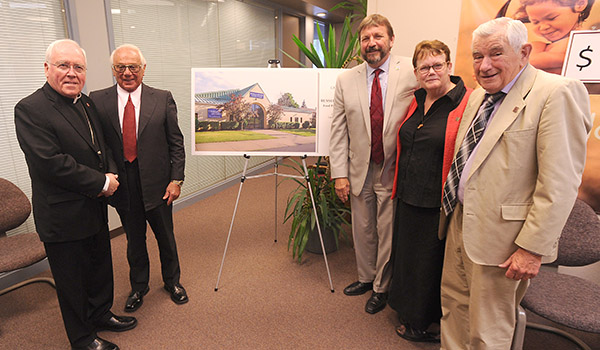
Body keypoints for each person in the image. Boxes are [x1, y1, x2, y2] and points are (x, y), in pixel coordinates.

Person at [439, 17, 592, 349]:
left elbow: (560, 183)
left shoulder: (556, 93)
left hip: (504, 242)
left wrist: (532, 248)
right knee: (454, 309)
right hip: (460, 221)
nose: (485, 64)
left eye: (496, 53)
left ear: (524, 52)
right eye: (478, 56)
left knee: (488, 328)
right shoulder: (479, 96)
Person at [14, 39, 137, 350]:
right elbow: (50, 163)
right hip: (62, 215)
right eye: (63, 65)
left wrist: (110, 174)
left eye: (78, 67)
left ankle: (100, 314)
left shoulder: (86, 103)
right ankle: (82, 338)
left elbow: (104, 146)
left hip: (94, 207)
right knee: (72, 281)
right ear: (47, 69)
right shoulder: (30, 109)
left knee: (99, 268)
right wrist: (100, 181)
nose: (72, 73)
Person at [329, 14, 418, 314]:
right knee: (363, 227)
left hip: (394, 168)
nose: (372, 43)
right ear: (360, 45)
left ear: (391, 40)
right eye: (366, 38)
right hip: (360, 168)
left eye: (378, 36)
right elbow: (339, 130)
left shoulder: (412, 71)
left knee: (387, 229)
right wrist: (338, 174)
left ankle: (382, 287)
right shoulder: (346, 79)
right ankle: (365, 278)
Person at [90, 44, 187, 312]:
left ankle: (172, 282)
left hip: (159, 183)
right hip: (123, 184)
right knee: (134, 240)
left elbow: (175, 143)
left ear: (144, 69)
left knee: (166, 237)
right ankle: (139, 286)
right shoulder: (97, 100)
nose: (127, 72)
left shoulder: (162, 97)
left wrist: (176, 179)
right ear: (113, 70)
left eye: (133, 66)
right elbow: (100, 144)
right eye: (120, 67)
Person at [388, 40, 472, 343]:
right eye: (424, 67)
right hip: (408, 193)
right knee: (407, 257)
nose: (431, 71)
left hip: (438, 201)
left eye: (438, 65)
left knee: (430, 264)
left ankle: (425, 322)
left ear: (450, 66)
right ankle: (406, 309)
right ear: (416, 72)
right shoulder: (417, 99)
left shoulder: (467, 103)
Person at [518, 0, 594, 74]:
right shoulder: (539, 46)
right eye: (535, 22)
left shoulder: (588, 39)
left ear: (580, 4)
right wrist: (572, 59)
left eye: (552, 18)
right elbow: (532, 60)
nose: (543, 27)